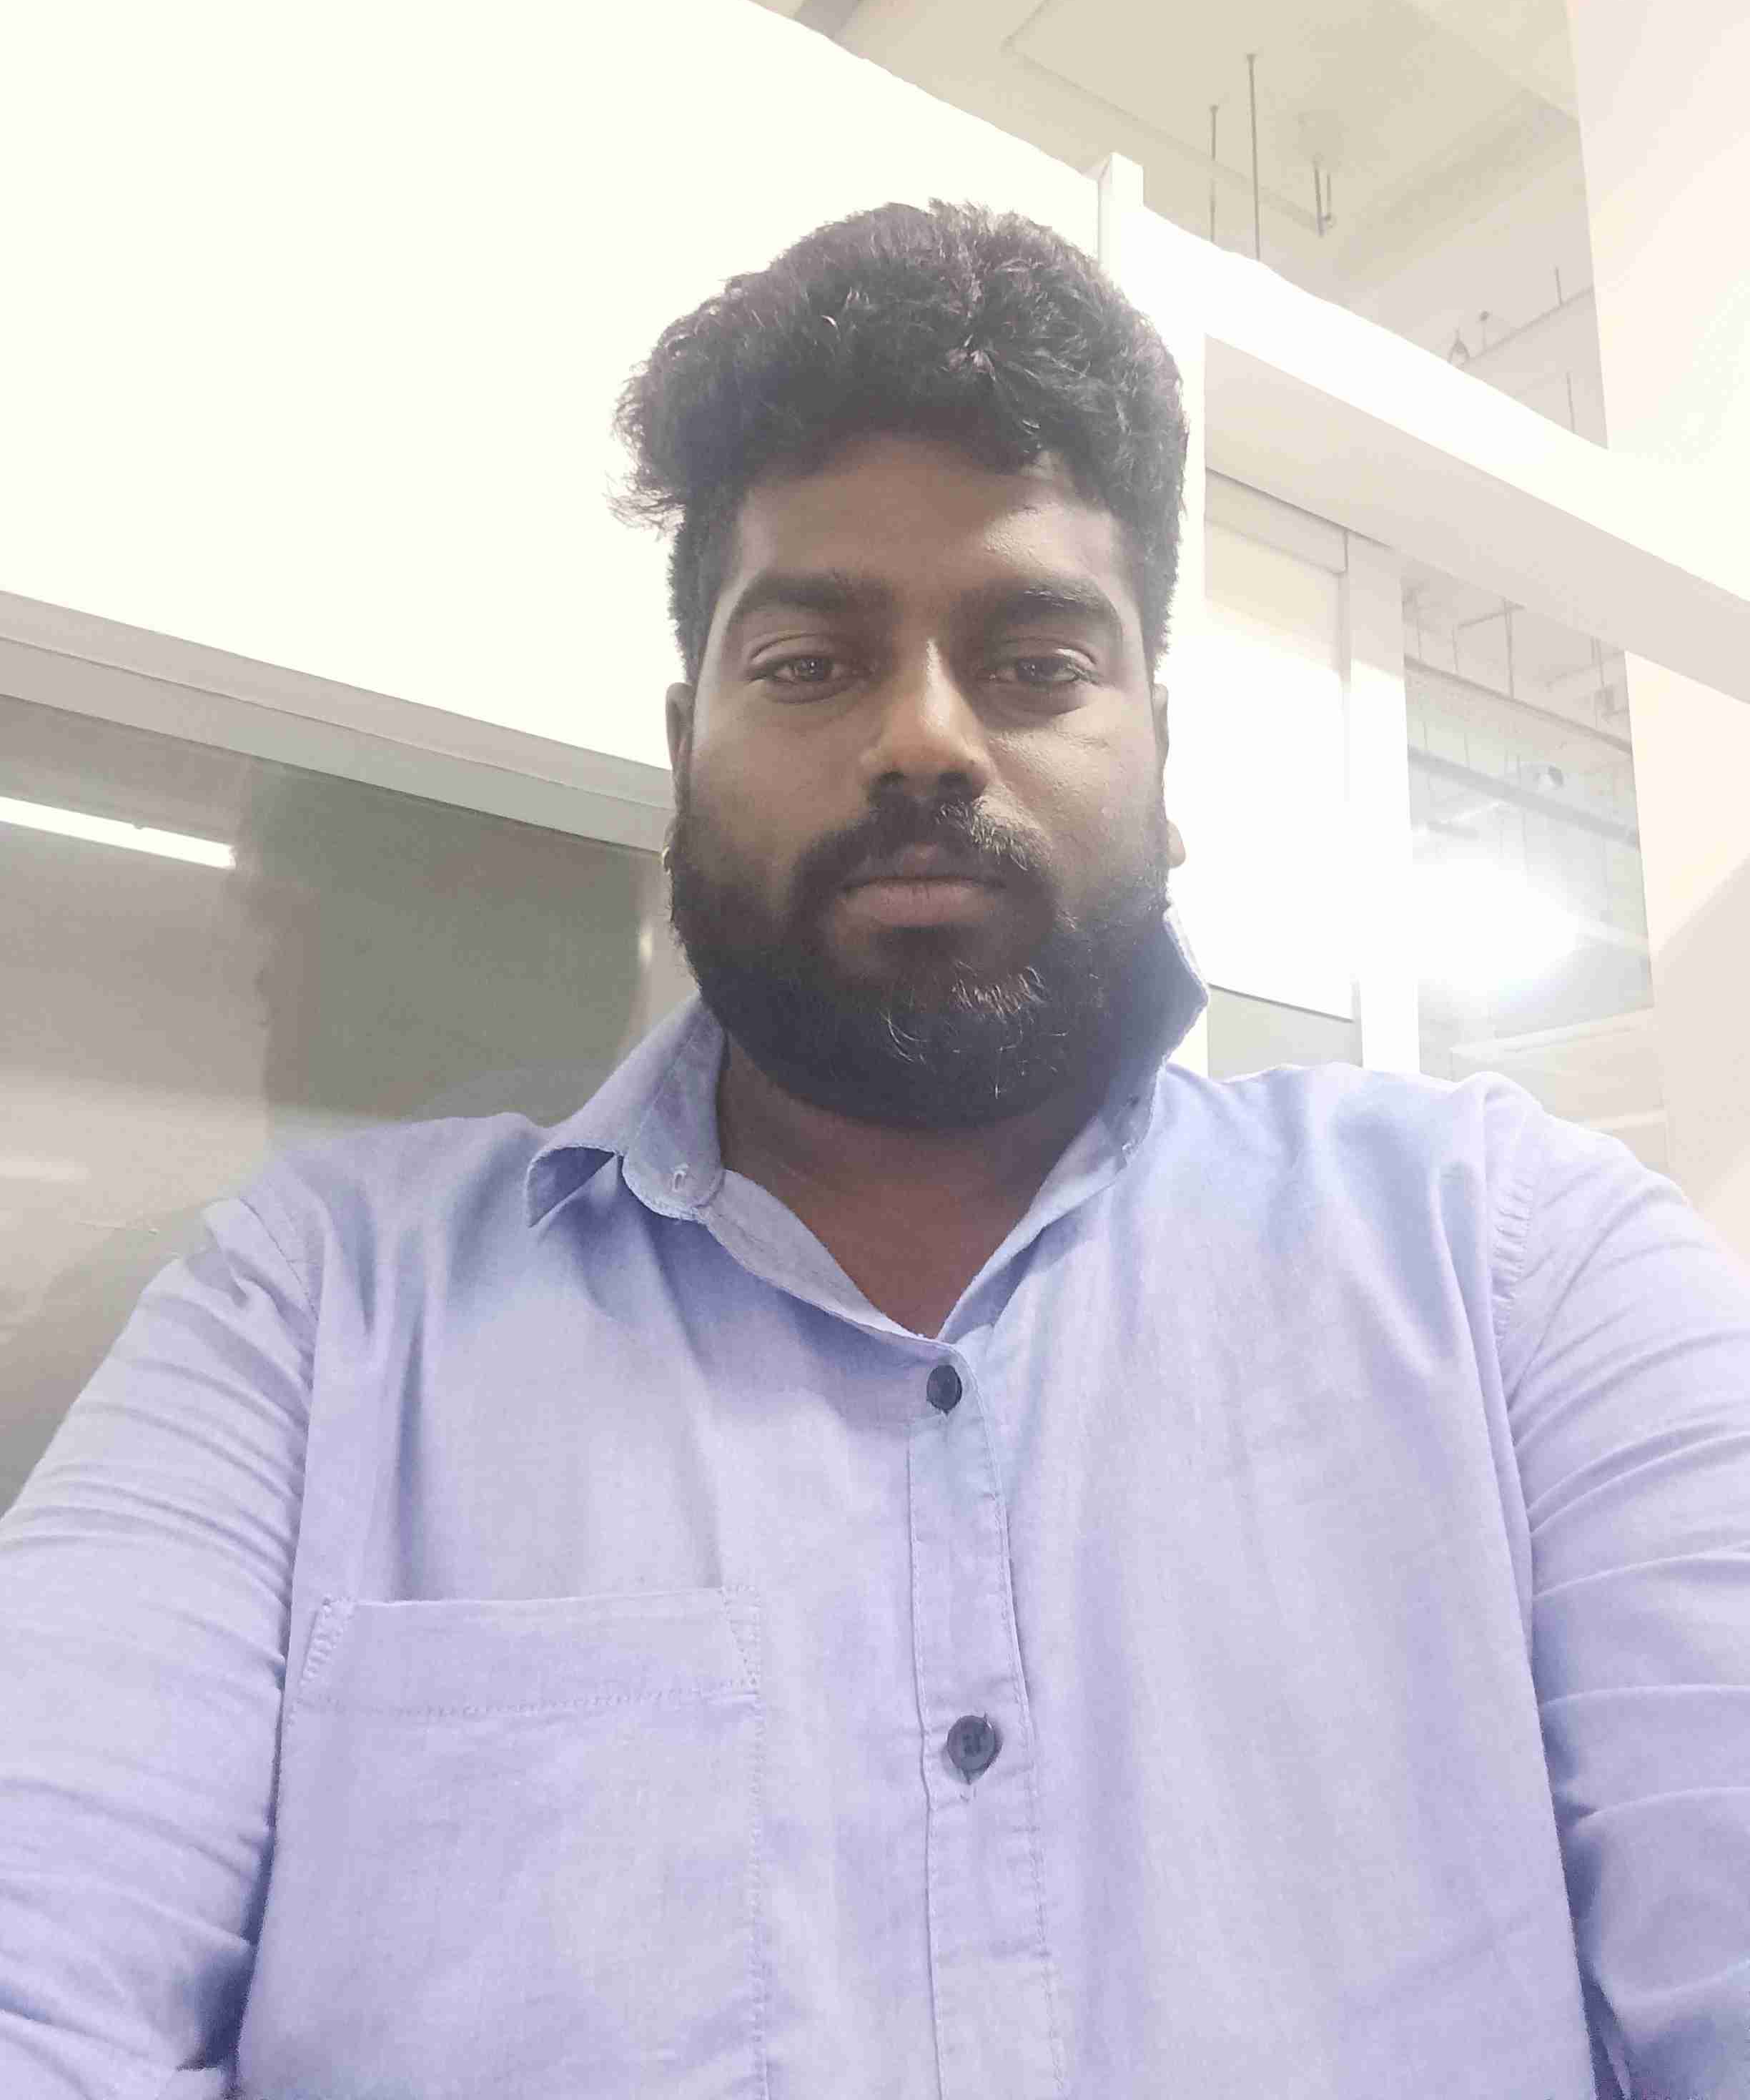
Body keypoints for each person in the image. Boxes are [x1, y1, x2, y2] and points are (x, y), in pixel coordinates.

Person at [1, 201, 1746, 2100]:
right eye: (812, 664)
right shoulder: (316, 1319)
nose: (923, 740)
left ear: (1165, 757)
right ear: (688, 747)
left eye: (1036, 661)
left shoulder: (1520, 1270)